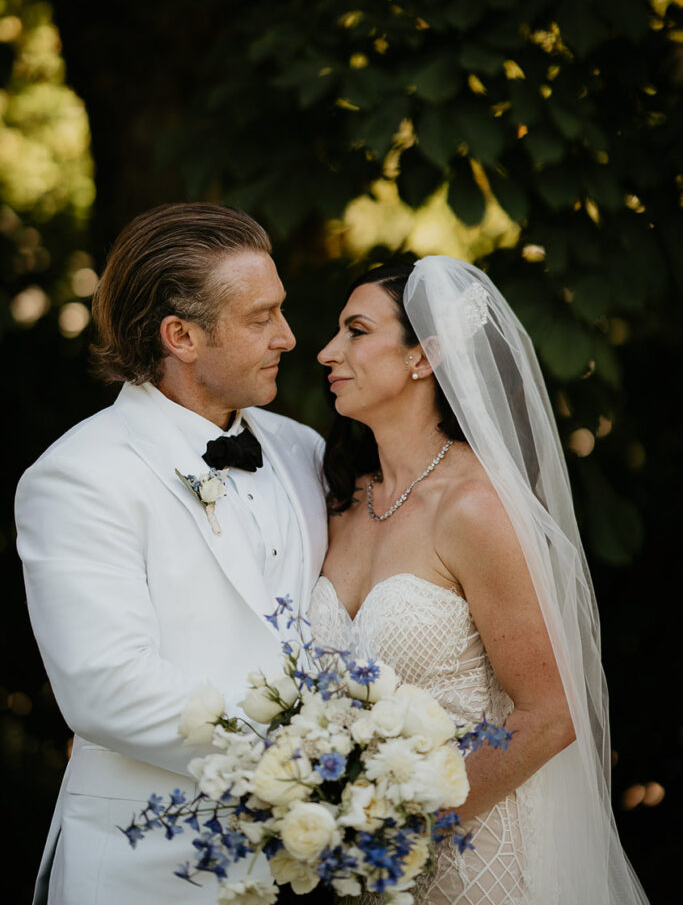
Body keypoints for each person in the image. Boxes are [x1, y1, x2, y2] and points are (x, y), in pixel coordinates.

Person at [310, 256, 649, 905]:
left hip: (474, 860)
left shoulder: (475, 508)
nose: (328, 352)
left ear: (422, 357)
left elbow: (552, 715)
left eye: (356, 331)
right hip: (360, 870)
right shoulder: (346, 502)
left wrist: (400, 831)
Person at [15, 203, 328, 905]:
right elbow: (108, 691)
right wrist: (317, 759)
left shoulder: (303, 452)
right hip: (147, 867)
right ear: (180, 335)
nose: (288, 336)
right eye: (260, 318)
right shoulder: (78, 475)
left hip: (305, 863)